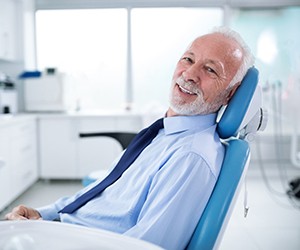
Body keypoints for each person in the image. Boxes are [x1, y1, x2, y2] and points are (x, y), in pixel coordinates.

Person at [5, 26, 254, 250]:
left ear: (230, 94)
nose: (189, 74)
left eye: (210, 69)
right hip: (63, 229)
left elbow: (146, 246)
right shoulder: (163, 133)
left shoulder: (191, 156)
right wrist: (44, 215)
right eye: (188, 59)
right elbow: (103, 192)